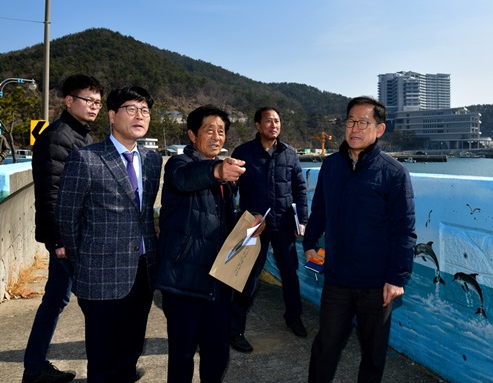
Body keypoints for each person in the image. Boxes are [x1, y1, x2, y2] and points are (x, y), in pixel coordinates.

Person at [303, 96, 417, 383]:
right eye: (351, 121)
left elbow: (404, 230)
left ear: (379, 129)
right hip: (337, 279)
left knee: (373, 354)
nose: (355, 128)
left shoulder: (394, 173)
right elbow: (320, 210)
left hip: (376, 284)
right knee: (325, 346)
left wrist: (397, 278)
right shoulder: (331, 166)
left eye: (363, 122)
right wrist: (310, 244)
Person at [56, 86, 162, 383]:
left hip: (143, 270)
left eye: (145, 111)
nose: (140, 116)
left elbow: (144, 213)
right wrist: (84, 261)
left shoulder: (152, 161)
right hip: (100, 273)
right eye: (132, 109)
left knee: (131, 351)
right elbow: (67, 218)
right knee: (103, 359)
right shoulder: (86, 159)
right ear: (112, 115)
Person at [156, 105, 264, 383]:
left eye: (221, 131)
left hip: (218, 280)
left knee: (217, 353)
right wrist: (217, 170)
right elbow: (185, 180)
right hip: (183, 281)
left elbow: (223, 219)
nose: (217, 137)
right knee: (182, 355)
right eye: (209, 130)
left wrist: (250, 222)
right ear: (192, 135)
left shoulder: (225, 178)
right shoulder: (179, 165)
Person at [23, 74, 104, 383]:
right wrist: (60, 240)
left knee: (56, 300)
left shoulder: (80, 135)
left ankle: (34, 369)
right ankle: (111, 365)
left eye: (98, 102)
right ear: (69, 101)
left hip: (74, 234)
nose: (94, 106)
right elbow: (51, 193)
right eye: (88, 100)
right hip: (67, 238)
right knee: (96, 301)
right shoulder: (58, 136)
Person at [229, 106, 309, 353]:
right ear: (257, 125)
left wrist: (302, 220)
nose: (274, 125)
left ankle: (293, 318)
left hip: (283, 225)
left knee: (290, 274)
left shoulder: (290, 153)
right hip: (255, 227)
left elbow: (300, 189)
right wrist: (240, 218)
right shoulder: (243, 153)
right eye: (268, 121)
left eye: (277, 121)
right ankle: (235, 329)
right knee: (248, 278)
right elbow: (230, 191)